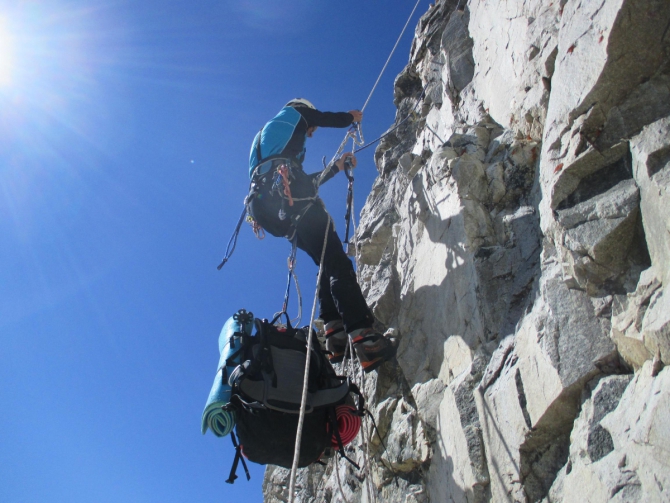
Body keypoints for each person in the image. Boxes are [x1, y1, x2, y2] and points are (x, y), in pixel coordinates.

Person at [247, 98, 396, 373]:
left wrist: (337, 167)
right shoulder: (294, 112)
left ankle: (335, 335)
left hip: (271, 211)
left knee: (326, 263)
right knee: (337, 263)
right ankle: (365, 337)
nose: (311, 133)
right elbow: (322, 116)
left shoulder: (266, 142)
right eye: (310, 129)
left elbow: (305, 183)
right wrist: (350, 117)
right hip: (291, 199)